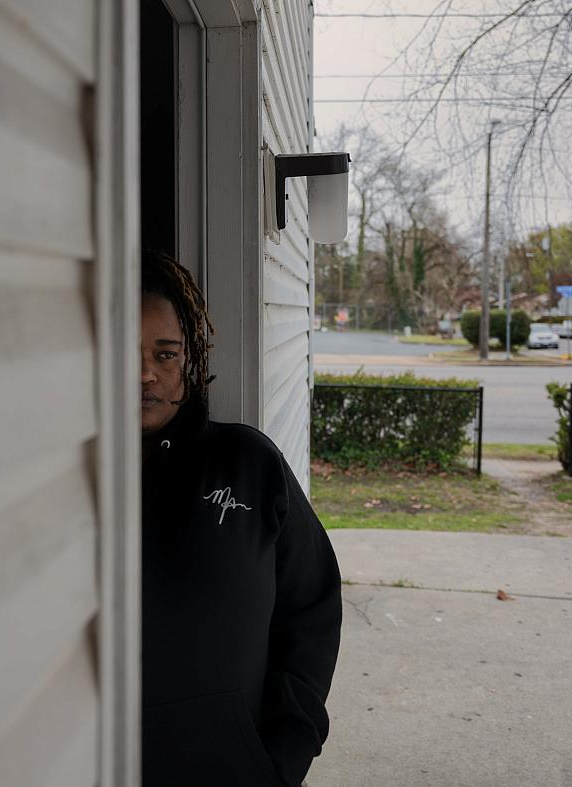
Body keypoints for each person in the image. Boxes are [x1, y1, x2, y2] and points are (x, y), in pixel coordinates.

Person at [140, 250, 342, 787]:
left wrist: (285, 750)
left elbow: (312, 607)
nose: (145, 375)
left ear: (192, 358)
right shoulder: (52, 480)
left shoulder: (249, 464)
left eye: (165, 354)